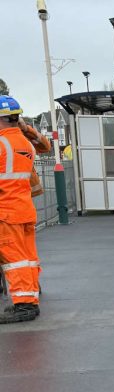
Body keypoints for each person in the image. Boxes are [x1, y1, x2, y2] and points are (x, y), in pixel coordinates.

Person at [0, 96, 40, 323]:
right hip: (24, 208)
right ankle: (31, 301)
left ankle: (23, 305)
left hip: (6, 210)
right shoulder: (26, 144)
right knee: (28, 258)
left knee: (14, 259)